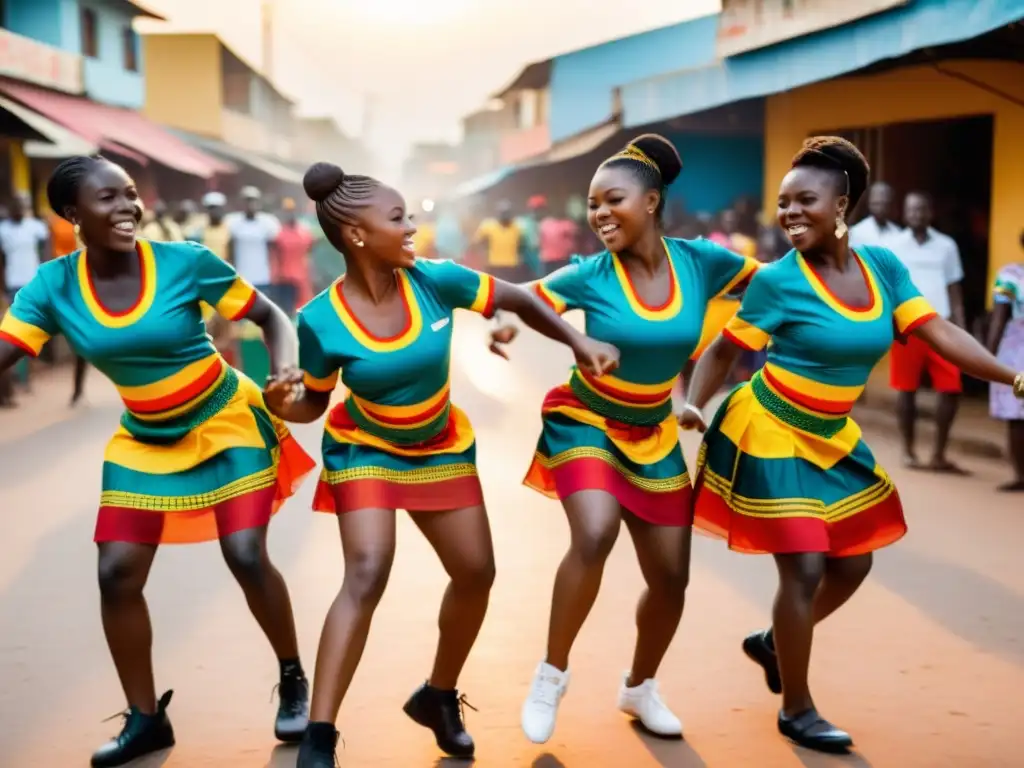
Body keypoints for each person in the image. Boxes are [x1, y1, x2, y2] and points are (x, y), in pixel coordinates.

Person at [268, 161, 619, 768]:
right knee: (368, 571)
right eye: (398, 218)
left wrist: (578, 342)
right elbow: (314, 403)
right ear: (356, 234)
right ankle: (320, 738)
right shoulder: (320, 319)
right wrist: (284, 403)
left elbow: (517, 298)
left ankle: (437, 695)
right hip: (365, 449)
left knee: (476, 572)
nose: (412, 228)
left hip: (439, 447)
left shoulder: (436, 280)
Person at [681, 136, 1023, 752]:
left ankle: (770, 643)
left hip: (833, 435)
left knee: (855, 561)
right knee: (806, 566)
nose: (788, 213)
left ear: (843, 205)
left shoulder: (884, 270)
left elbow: (937, 330)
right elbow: (725, 350)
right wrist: (692, 405)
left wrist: (1014, 375)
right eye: (783, 202)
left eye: (804, 200)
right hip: (770, 427)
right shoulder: (778, 282)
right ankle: (797, 708)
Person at [0, 156, 318, 767]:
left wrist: (281, 372)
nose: (127, 207)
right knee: (116, 572)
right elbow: (9, 348)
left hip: (226, 419)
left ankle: (292, 676)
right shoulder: (51, 286)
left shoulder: (185, 262)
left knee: (246, 554)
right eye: (107, 199)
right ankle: (147, 720)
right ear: (72, 215)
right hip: (145, 438)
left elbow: (267, 315)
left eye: (129, 196)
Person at [496, 135, 759, 744]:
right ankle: (550, 675)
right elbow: (529, 298)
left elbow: (773, 284)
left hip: (654, 432)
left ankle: (640, 686)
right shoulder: (591, 273)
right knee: (594, 531)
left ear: (651, 201)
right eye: (592, 204)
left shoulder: (702, 262)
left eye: (612, 199)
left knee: (672, 579)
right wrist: (507, 325)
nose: (599, 214)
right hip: (584, 420)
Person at [889, 192, 967, 472]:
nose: (917, 214)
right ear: (905, 213)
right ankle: (909, 450)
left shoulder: (947, 246)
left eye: (922, 209)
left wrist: (961, 326)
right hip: (907, 326)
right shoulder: (894, 245)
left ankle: (938, 454)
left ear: (930, 212)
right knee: (906, 389)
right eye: (912, 210)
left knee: (951, 387)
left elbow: (954, 288)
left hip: (941, 325)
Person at [986, 236, 1024, 491]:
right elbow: (998, 318)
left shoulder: (1010, 275)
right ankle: (1021, 476)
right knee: (1017, 415)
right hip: (1017, 351)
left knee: (1018, 414)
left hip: (1016, 348)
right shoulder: (1009, 275)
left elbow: (999, 319)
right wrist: (986, 357)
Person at [228, 186, 281, 298]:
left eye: (253, 200)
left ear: (258, 202)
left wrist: (275, 272)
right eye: (247, 201)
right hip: (241, 276)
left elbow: (274, 249)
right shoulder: (233, 222)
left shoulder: (268, 222)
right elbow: (230, 248)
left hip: (262, 276)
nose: (250, 204)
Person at [272, 198, 315, 316]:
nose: (290, 214)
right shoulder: (279, 234)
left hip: (301, 279)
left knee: (302, 310)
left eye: (292, 211)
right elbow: (276, 256)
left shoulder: (304, 232)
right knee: (287, 311)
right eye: (287, 211)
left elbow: (309, 252)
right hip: (285, 278)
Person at [849, 181, 902, 249]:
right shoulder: (856, 232)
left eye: (884, 203)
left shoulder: (897, 232)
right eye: (876, 203)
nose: (880, 208)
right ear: (869, 203)